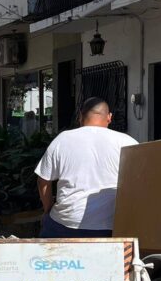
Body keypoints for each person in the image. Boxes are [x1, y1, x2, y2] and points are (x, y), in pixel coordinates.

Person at [33, 97, 138, 237]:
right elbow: (141, 183)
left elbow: (43, 181)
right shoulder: (127, 141)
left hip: (65, 223)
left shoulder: (62, 139)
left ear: (80, 116)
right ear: (109, 117)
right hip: (111, 226)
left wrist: (47, 210)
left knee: (46, 256)